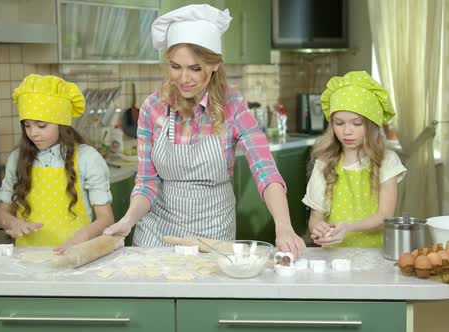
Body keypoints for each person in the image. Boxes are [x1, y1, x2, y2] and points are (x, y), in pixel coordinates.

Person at [103, 4, 305, 257]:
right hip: (157, 233)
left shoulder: (235, 107)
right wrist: (128, 220)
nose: (183, 78)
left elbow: (265, 171)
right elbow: (146, 183)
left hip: (213, 234)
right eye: (176, 66)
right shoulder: (153, 108)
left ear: (215, 65)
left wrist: (284, 226)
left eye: (195, 68)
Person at [0, 74, 114, 253]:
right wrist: (12, 222)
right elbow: (2, 213)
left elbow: (106, 218)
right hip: (26, 259)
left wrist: (83, 236)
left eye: (41, 126)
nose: (33, 133)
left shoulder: (87, 159)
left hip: (74, 254)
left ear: (62, 124)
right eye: (27, 125)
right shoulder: (17, 158)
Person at [303, 71, 407, 247]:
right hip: (334, 259)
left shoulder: (386, 161)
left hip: (374, 256)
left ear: (372, 124)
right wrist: (318, 228)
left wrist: (348, 227)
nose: (347, 131)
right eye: (339, 123)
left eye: (356, 123)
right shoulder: (324, 163)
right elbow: (315, 218)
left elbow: (384, 217)